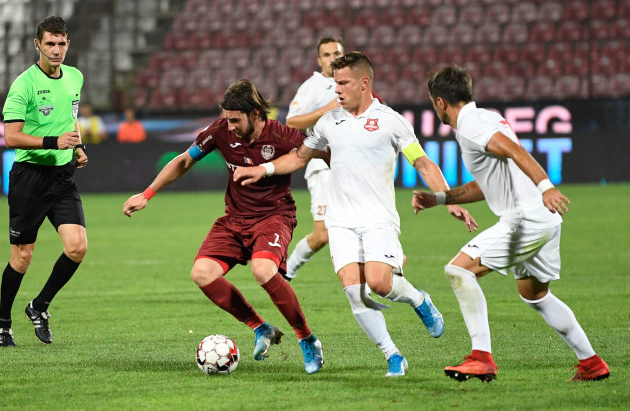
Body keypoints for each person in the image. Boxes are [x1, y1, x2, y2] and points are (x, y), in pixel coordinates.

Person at [234, 52, 476, 377]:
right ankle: (393, 355)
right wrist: (264, 169)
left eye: (344, 82)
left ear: (364, 83)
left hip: (378, 217)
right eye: (335, 83)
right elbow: (299, 156)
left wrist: (446, 198)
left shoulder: (391, 120)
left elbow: (422, 162)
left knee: (379, 283)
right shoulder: (329, 121)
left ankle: (419, 299)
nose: (338, 90)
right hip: (340, 221)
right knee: (353, 289)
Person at [413, 64, 610, 382]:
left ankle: (481, 358)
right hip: (544, 220)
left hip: (525, 219)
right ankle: (591, 363)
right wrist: (439, 199)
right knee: (535, 295)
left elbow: (515, 150)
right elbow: (484, 184)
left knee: (459, 270)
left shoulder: (471, 126)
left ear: (438, 102)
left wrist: (546, 186)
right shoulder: (488, 118)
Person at [122, 79, 324, 374]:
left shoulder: (282, 135)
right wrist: (147, 193)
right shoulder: (219, 131)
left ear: (255, 113)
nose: (228, 126)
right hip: (235, 218)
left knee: (262, 270)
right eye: (226, 119)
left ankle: (307, 339)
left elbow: (313, 152)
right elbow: (183, 162)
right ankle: (260, 328)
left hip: (274, 216)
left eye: (235, 120)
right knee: (202, 273)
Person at [0, 16, 88, 347]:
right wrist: (53, 142)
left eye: (62, 43)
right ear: (38, 45)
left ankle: (39, 306)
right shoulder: (24, 85)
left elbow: (71, 118)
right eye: (50, 43)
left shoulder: (75, 77)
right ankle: (3, 323)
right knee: (22, 256)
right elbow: (10, 136)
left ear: (68, 44)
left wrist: (77, 147)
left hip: (63, 177)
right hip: (30, 178)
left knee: (77, 247)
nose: (56, 50)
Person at [283, 37, 343, 281]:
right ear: (319, 61)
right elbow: (291, 121)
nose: (332, 59)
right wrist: (325, 109)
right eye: (327, 55)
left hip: (350, 165)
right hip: (322, 167)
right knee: (322, 235)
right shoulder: (313, 86)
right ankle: (286, 271)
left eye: (336, 53)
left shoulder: (350, 84)